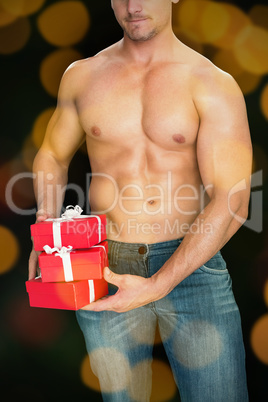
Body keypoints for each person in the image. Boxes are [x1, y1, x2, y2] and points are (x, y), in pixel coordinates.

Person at [29, 0, 252, 400]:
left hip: (192, 269)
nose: (133, 6)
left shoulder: (212, 83)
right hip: (103, 265)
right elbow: (51, 153)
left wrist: (157, 285)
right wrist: (46, 227)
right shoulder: (81, 76)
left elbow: (233, 202)